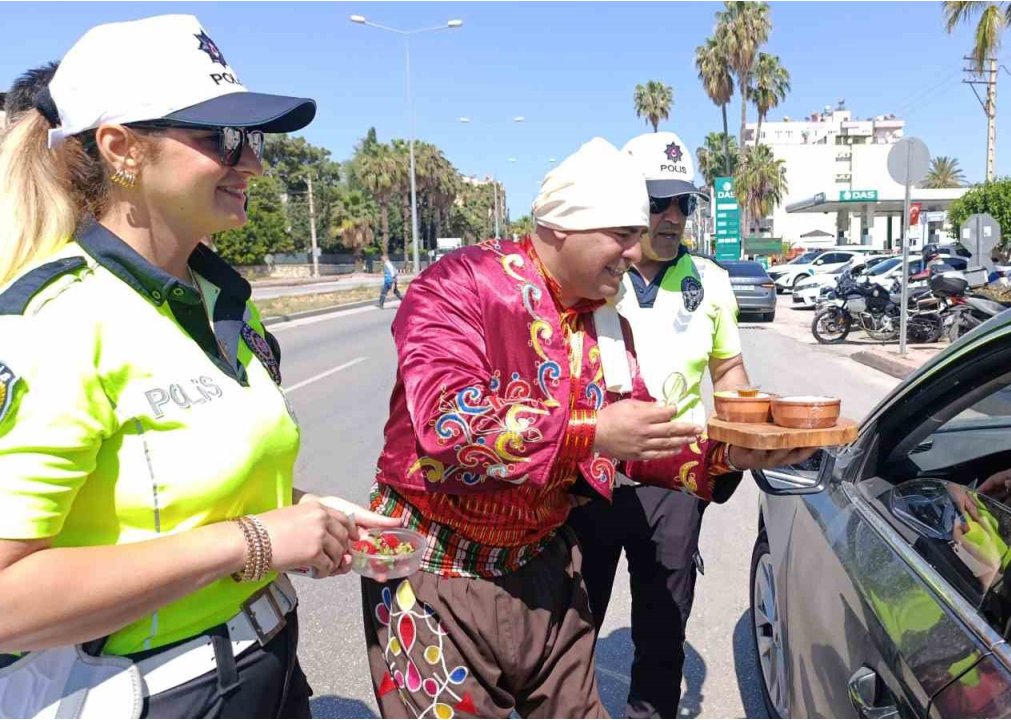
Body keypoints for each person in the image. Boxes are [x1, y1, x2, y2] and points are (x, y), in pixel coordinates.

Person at [0, 15, 398, 718]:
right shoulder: (55, 321)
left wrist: (302, 514)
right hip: (160, 690)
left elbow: (178, 492)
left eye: (253, 139)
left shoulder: (221, 301)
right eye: (221, 137)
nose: (253, 164)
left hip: (269, 664)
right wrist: (254, 540)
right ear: (122, 148)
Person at [361, 137, 813, 719]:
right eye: (621, 234)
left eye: (636, 234)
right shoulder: (459, 285)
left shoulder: (605, 319)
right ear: (561, 228)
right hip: (432, 577)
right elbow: (447, 423)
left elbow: (638, 439)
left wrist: (728, 456)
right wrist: (589, 432)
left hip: (544, 569)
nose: (634, 251)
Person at [567, 131, 747, 718]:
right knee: (572, 625)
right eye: (657, 203)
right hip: (588, 478)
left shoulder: (710, 281)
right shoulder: (592, 275)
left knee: (664, 628)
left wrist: (748, 433)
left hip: (673, 482)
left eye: (683, 203)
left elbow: (729, 371)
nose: (672, 217)